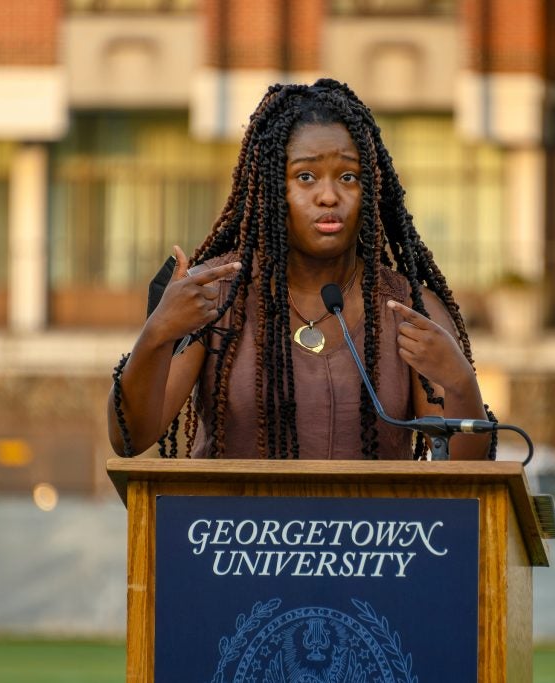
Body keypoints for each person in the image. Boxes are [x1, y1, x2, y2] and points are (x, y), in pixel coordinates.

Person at [108, 78, 497, 461]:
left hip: (370, 527)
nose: (329, 196)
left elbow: (464, 473)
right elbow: (130, 439)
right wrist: (157, 334)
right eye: (306, 177)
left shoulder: (408, 309)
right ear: (271, 186)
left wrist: (462, 383)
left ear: (371, 189)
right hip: (233, 524)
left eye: (348, 177)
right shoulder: (216, 295)